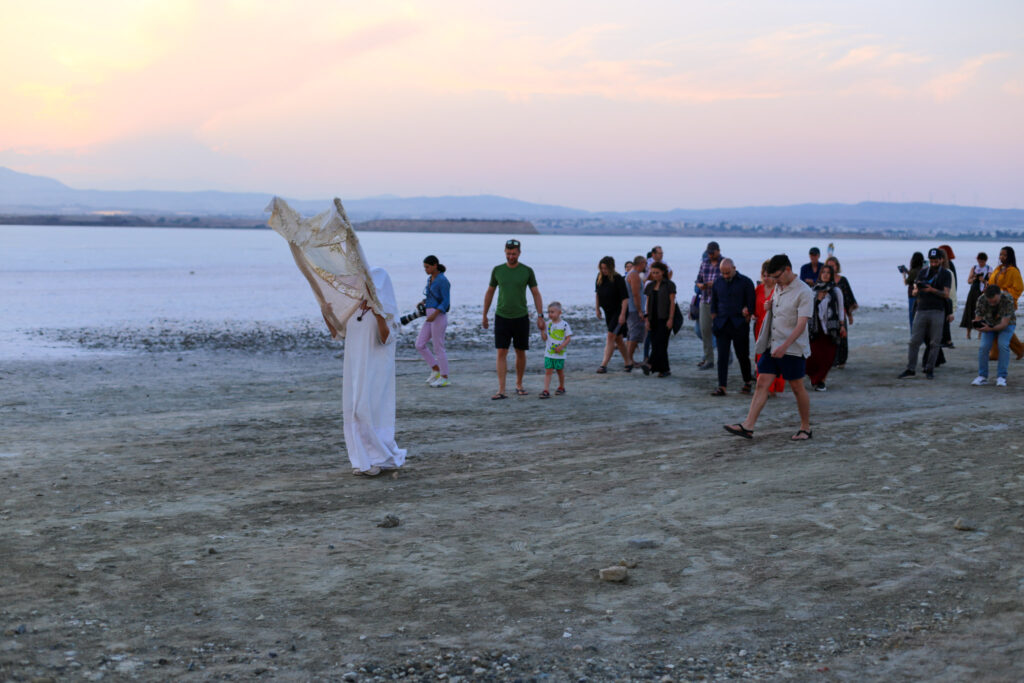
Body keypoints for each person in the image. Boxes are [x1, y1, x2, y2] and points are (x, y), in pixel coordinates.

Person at [724, 254, 814, 441]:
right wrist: (769, 306)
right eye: (771, 277)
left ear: (788, 270)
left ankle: (805, 428)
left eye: (777, 276)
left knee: (797, 387)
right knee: (762, 382)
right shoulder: (779, 287)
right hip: (772, 345)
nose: (774, 280)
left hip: (792, 349)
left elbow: (801, 324)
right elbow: (778, 311)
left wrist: (785, 346)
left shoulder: (804, 292)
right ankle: (748, 425)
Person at [331, 268, 407, 476]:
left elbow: (386, 338)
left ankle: (378, 458)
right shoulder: (355, 309)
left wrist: (379, 314)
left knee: (370, 411)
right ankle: (361, 459)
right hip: (355, 369)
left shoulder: (386, 310)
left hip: (376, 369)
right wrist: (327, 313)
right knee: (354, 410)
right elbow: (338, 334)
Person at [482, 239, 546, 399]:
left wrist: (540, 316)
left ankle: (519, 384)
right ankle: (501, 389)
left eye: (514, 254)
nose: (511, 256)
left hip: (521, 317)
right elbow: (489, 292)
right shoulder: (497, 270)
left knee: (520, 351)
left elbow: (536, 293)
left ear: (519, 253)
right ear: (505, 252)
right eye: (508, 253)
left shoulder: (527, 271)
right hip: (502, 317)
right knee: (501, 351)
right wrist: (484, 314)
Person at [900, 248, 952, 380]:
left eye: (936, 261)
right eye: (931, 261)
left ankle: (929, 369)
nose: (933, 263)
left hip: (937, 310)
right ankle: (910, 368)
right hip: (921, 309)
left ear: (941, 260)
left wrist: (932, 290)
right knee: (914, 341)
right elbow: (914, 291)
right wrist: (917, 291)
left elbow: (946, 294)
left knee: (934, 342)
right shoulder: (922, 272)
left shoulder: (946, 274)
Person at [709, 258, 755, 396]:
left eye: (728, 273)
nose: (726, 276)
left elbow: (751, 303)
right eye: (723, 273)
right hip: (722, 324)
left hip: (739, 324)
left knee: (742, 355)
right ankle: (722, 386)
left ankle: (747, 382)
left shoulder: (746, 282)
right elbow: (713, 303)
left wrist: (747, 314)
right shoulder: (718, 282)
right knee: (722, 357)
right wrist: (715, 319)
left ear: (734, 268)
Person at [805, 264, 846, 391]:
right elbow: (810, 309)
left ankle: (821, 381)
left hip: (831, 329)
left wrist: (842, 325)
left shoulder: (835, 290)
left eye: (828, 272)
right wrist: (818, 299)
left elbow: (840, 309)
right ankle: (814, 378)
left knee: (828, 357)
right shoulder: (813, 290)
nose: (826, 274)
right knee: (812, 357)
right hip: (816, 329)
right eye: (823, 272)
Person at [416, 255, 451, 387]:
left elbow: (446, 301)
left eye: (428, 267)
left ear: (435, 265)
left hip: (438, 316)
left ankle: (444, 376)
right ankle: (435, 369)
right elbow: (432, 296)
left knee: (438, 347)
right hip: (429, 316)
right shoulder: (430, 279)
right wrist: (424, 302)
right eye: (424, 267)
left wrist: (435, 313)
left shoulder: (443, 280)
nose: (425, 269)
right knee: (419, 344)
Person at [971, 285, 1017, 387]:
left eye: (995, 301)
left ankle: (1001, 377)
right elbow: (978, 318)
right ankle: (982, 376)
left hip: (1007, 324)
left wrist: (990, 329)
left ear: (999, 295)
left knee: (1003, 345)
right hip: (988, 323)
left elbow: (1004, 324)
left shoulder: (1007, 299)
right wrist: (978, 325)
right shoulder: (981, 299)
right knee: (983, 347)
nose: (992, 303)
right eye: (990, 301)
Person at [754, 260, 785, 395]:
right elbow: (752, 308)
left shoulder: (779, 290)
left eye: (769, 275)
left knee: (775, 356)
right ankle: (765, 387)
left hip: (775, 327)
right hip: (760, 327)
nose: (766, 278)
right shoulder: (758, 289)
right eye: (764, 275)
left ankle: (774, 387)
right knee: (760, 356)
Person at [987, 246, 1024, 360]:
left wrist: (1004, 293)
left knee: (1001, 327)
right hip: (993, 303)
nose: (1002, 257)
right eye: (1001, 254)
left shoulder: (1013, 271)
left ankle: (996, 353)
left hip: (1006, 303)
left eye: (1004, 255)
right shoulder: (998, 269)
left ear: (1010, 256)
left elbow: (1019, 288)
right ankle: (1018, 349)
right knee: (998, 327)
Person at [594, 256, 629, 373]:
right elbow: (597, 294)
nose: (604, 270)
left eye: (605, 268)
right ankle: (628, 362)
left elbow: (625, 298)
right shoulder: (599, 278)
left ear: (611, 267)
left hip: (618, 312)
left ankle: (603, 365)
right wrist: (597, 309)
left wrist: (623, 315)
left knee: (610, 336)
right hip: (607, 312)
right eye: (602, 268)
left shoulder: (618, 278)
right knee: (618, 338)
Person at [643, 262, 676, 377]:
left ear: (663, 272)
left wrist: (671, 318)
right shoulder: (649, 286)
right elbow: (647, 303)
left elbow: (672, 302)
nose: (655, 275)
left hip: (665, 318)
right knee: (658, 344)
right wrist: (646, 319)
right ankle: (665, 370)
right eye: (653, 273)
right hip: (653, 318)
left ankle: (650, 364)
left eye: (657, 272)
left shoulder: (669, 285)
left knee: (660, 343)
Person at [695, 241, 723, 370]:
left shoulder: (724, 263)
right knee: (705, 330)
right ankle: (709, 359)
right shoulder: (704, 263)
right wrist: (700, 285)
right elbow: (698, 280)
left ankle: (726, 356)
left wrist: (715, 284)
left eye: (712, 253)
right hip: (705, 300)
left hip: (720, 302)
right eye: (709, 253)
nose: (711, 255)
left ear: (718, 251)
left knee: (721, 331)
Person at [825, 256, 857, 368]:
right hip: (827, 314)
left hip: (841, 313)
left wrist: (850, 315)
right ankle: (831, 360)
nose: (831, 268)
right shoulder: (824, 280)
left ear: (837, 267)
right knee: (829, 338)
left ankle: (842, 361)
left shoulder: (843, 280)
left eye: (833, 265)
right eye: (829, 266)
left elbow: (848, 298)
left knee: (842, 337)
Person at [540, 302, 572, 398]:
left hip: (560, 354)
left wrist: (561, 346)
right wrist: (542, 331)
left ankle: (561, 387)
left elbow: (568, 338)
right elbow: (545, 338)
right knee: (548, 372)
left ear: (559, 312)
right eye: (549, 312)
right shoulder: (547, 324)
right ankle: (546, 390)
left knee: (559, 371)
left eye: (552, 312)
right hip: (549, 353)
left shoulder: (564, 325)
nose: (550, 314)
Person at [961, 252, 992, 339]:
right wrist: (974, 278)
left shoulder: (989, 269)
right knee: (970, 311)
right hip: (973, 291)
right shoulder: (974, 268)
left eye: (982, 261)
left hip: (982, 292)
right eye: (979, 261)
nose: (980, 263)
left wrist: (983, 280)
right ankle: (968, 333)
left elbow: (990, 283)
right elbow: (969, 281)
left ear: (985, 261)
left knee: (982, 312)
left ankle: (980, 333)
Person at [623, 255, 647, 370]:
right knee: (635, 334)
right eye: (645, 264)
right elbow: (635, 294)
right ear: (641, 263)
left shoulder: (631, 274)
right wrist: (639, 310)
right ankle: (629, 360)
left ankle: (629, 359)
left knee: (631, 334)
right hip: (634, 309)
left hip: (631, 308)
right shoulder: (634, 275)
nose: (646, 266)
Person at [937, 245, 958, 349]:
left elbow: (953, 289)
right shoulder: (932, 271)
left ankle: (947, 341)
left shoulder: (948, 271)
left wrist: (952, 309)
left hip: (946, 301)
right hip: (939, 303)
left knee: (944, 324)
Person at [902, 251, 925, 329]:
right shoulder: (923, 270)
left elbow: (906, 282)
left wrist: (904, 275)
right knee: (920, 317)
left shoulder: (913, 271)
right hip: (922, 296)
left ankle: (913, 336)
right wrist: (909, 273)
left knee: (912, 317)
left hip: (912, 296)